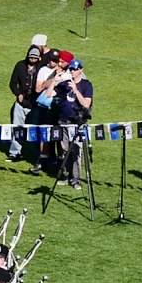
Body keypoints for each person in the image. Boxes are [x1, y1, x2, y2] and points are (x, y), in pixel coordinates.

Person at [54, 59, 93, 190]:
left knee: (76, 151)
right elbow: (48, 94)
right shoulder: (64, 84)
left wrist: (75, 90)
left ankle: (75, 179)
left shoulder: (86, 85)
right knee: (64, 150)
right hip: (63, 122)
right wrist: (55, 80)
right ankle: (65, 175)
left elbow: (86, 104)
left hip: (77, 123)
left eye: (75, 69)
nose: (72, 71)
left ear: (81, 70)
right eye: (70, 69)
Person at [7, 45, 41, 162]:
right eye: (31, 57)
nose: (32, 60)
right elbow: (12, 83)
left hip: (35, 105)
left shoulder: (41, 68)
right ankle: (15, 153)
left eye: (35, 58)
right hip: (20, 104)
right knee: (17, 128)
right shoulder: (20, 65)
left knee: (35, 130)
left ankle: (37, 155)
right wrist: (18, 93)